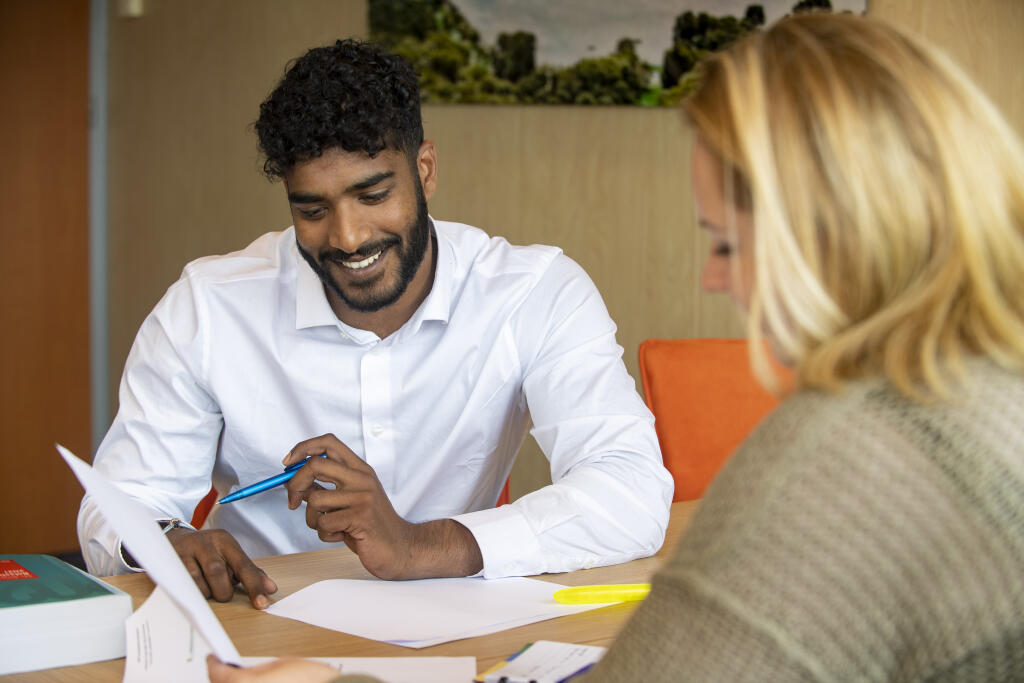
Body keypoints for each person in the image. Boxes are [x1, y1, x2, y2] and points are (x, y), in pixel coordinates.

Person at [207, 11, 1024, 683]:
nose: (711, 279)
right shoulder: (992, 395)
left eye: (728, 244)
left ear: (839, 232)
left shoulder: (837, 462)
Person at [78, 39, 673, 609]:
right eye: (312, 209)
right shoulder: (207, 307)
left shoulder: (533, 292)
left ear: (426, 169)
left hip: (459, 626)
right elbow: (119, 505)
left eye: (373, 194)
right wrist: (163, 540)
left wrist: (417, 545)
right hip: (258, 626)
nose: (348, 237)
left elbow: (631, 492)